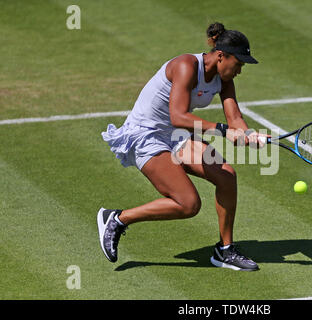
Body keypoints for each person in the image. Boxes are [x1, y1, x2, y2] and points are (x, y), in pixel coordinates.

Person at [97, 22, 268, 271]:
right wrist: (223, 131)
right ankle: (117, 219)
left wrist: (250, 135)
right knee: (188, 204)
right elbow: (178, 116)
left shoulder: (224, 78)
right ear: (221, 56)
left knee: (227, 176)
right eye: (238, 63)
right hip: (146, 136)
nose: (240, 70)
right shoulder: (186, 65)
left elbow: (235, 119)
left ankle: (224, 250)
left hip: (176, 136)